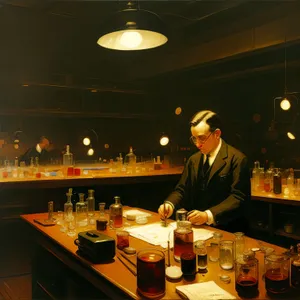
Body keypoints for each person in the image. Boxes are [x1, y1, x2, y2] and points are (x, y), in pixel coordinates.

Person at [158, 110, 250, 232]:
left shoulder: (237, 159)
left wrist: (208, 215)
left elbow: (238, 198)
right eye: (194, 139)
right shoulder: (193, 160)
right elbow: (181, 189)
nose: (197, 144)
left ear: (217, 134)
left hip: (227, 229)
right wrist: (169, 204)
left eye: (201, 138)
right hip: (198, 229)